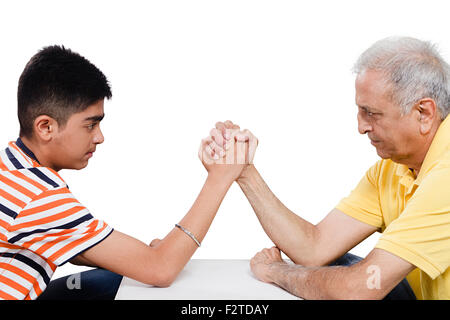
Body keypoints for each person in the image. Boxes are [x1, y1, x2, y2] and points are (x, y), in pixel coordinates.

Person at [0, 45, 255, 300]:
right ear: (45, 127)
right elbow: (161, 270)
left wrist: (144, 257)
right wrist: (220, 177)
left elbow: (68, 242)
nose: (99, 137)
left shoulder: (11, 166)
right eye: (90, 125)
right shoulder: (38, 196)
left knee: (118, 278)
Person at [206, 36, 450, 299]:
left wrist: (276, 271)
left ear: (423, 113)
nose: (361, 127)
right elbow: (315, 248)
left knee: (353, 277)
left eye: (372, 113)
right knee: (336, 266)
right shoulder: (391, 170)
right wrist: (244, 171)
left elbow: (360, 289)